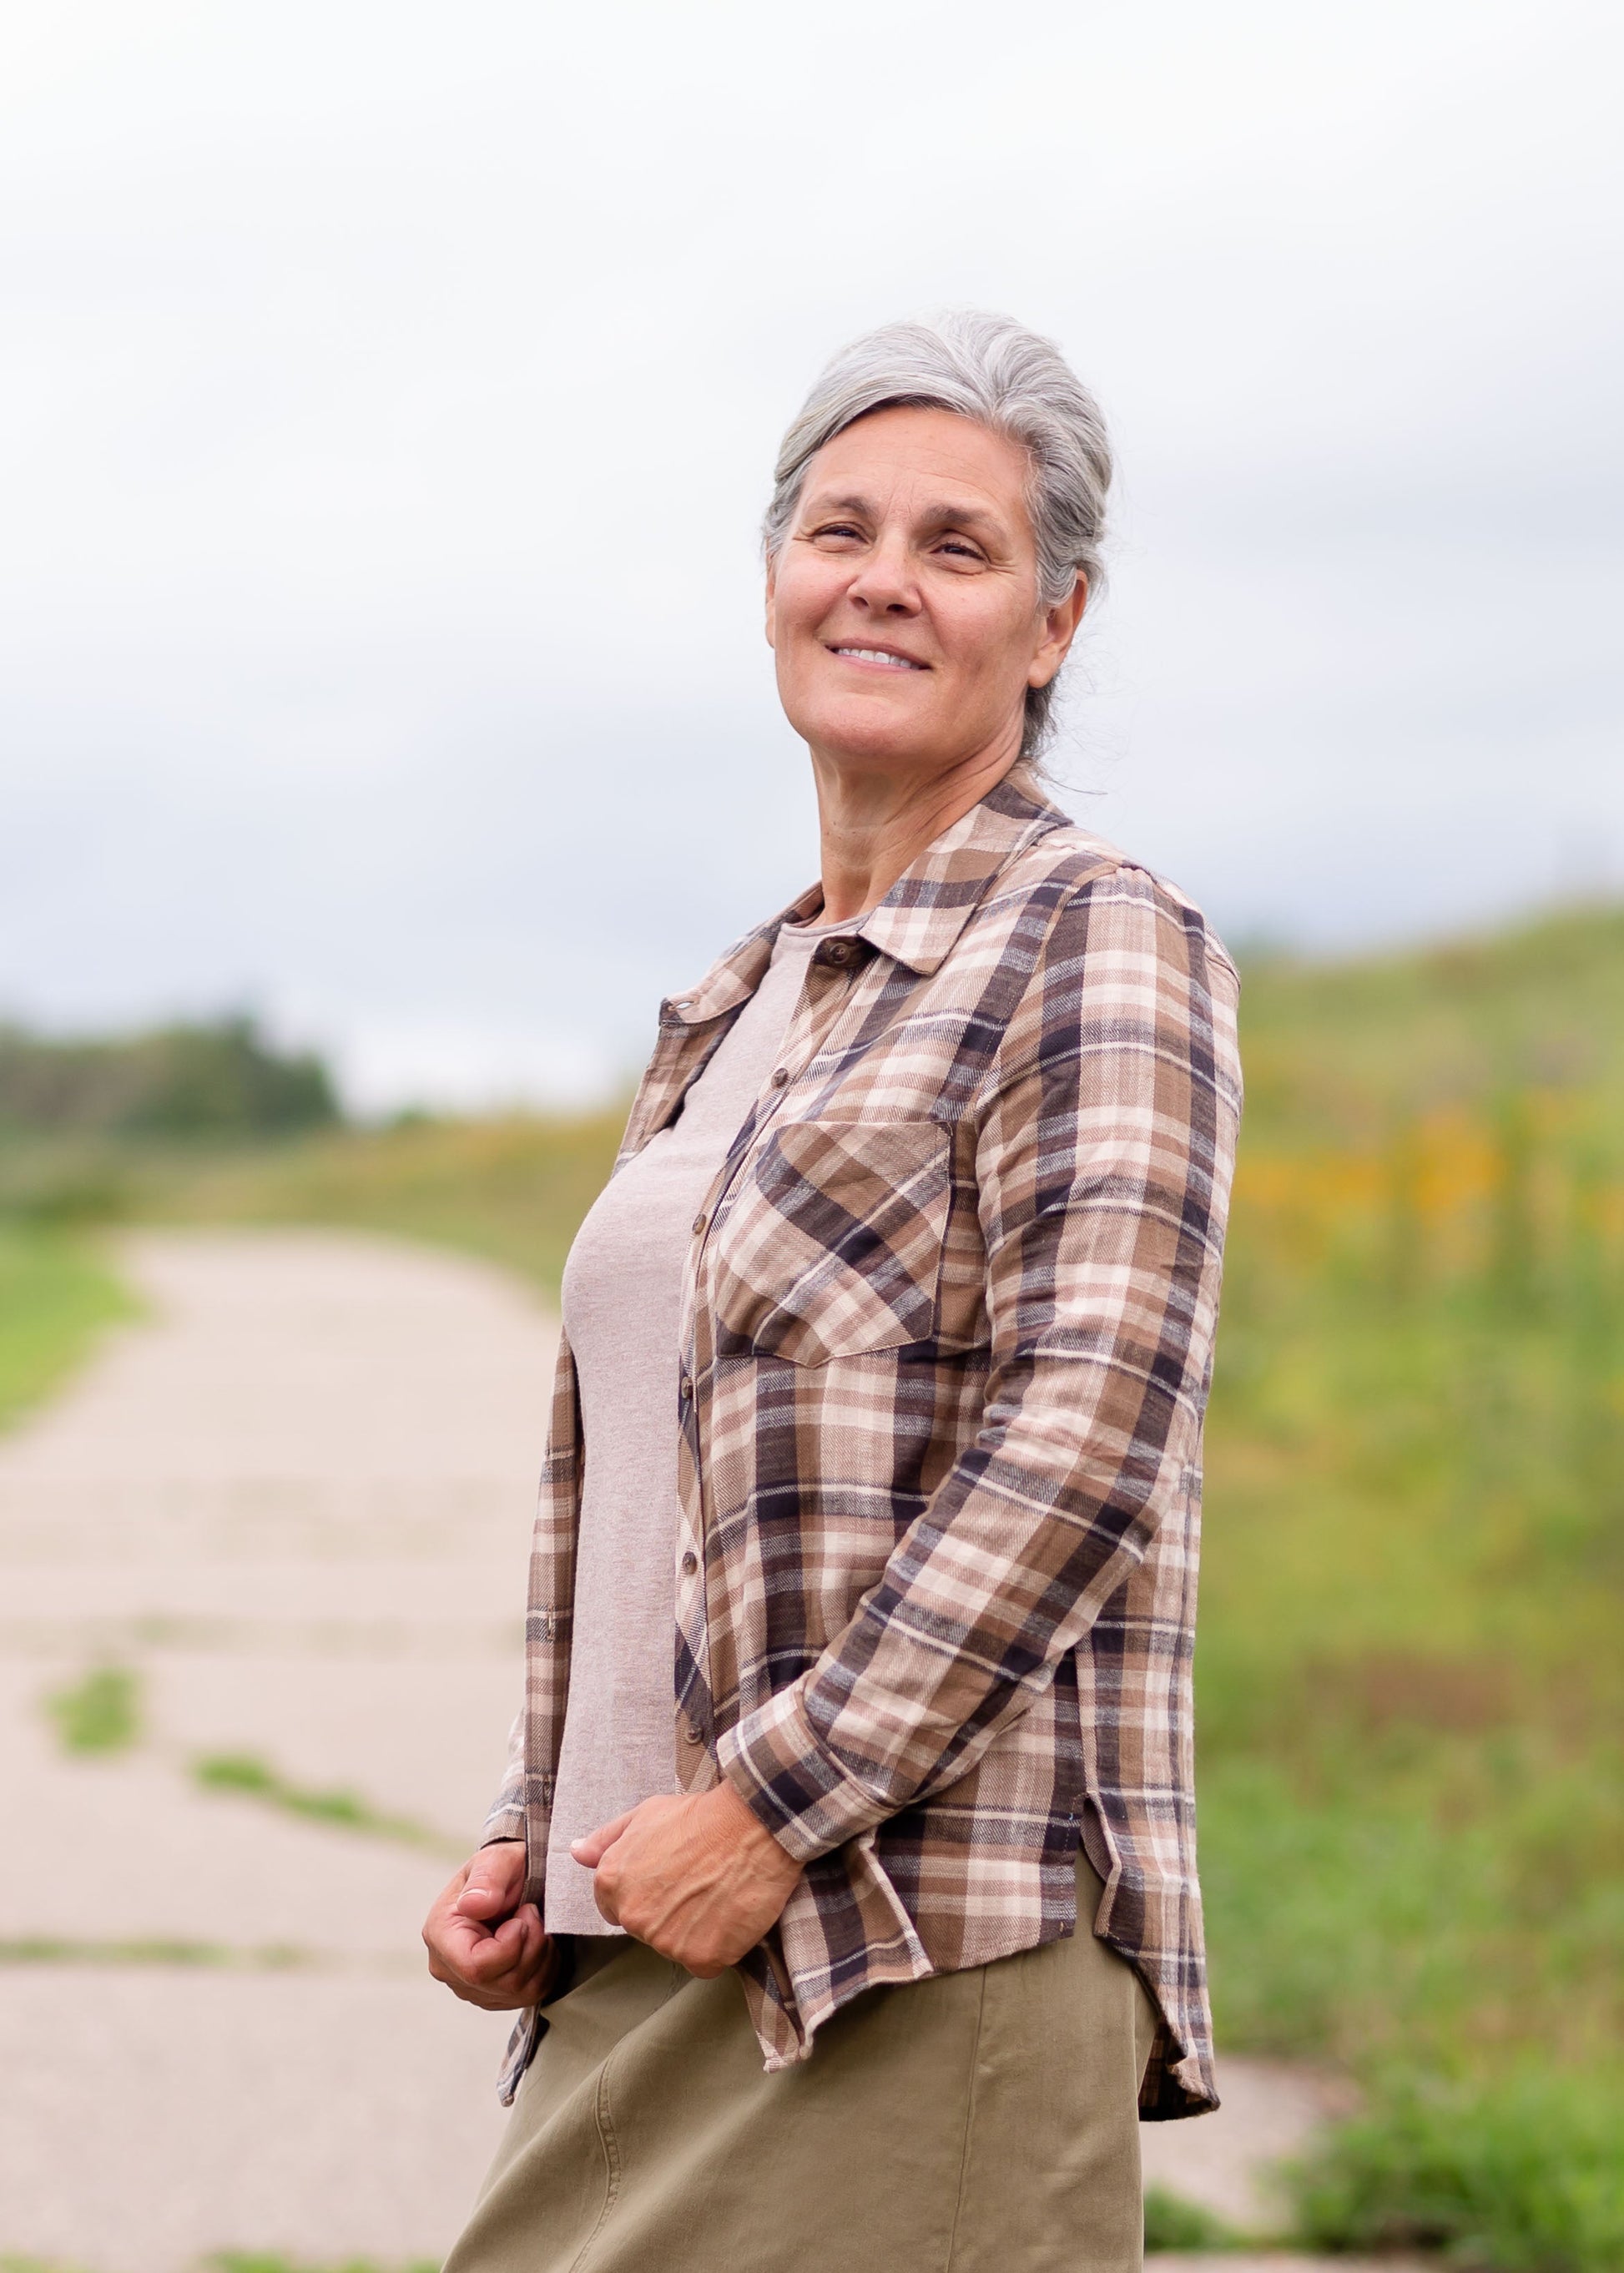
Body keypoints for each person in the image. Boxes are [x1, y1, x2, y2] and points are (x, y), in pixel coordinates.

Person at [423, 310, 1243, 2272]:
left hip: (905, 1951)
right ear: (775, 576)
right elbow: (662, 1483)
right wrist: (544, 1827)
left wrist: (770, 1811)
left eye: (955, 548)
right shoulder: (735, 1004)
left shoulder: (1092, 944)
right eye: (838, 529)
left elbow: (1088, 1434)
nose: (881, 581)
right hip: (646, 1937)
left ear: (1051, 624)